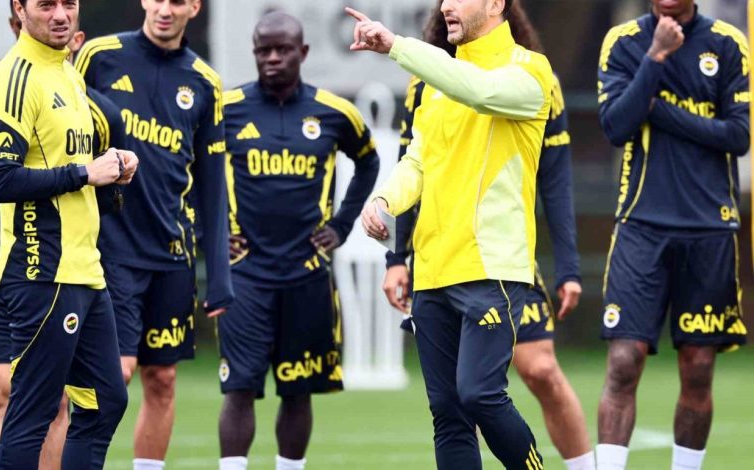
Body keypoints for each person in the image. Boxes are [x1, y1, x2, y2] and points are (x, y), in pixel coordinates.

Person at [382, 2, 593, 469]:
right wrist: (383, 204)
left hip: (490, 267)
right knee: (448, 414)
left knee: (480, 393)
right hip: (432, 270)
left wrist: (396, 45)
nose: (445, 6)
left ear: (496, 3)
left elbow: (478, 90)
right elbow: (416, 161)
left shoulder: (530, 71)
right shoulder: (435, 82)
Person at [217, 11, 379, 470]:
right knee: (239, 388)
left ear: (302, 52)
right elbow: (187, 167)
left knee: (298, 388)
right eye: (263, 50)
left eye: (282, 49)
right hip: (244, 275)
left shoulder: (334, 112)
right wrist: (209, 233)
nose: (272, 58)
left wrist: (342, 225)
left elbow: (368, 162)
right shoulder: (225, 109)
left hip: (306, 274)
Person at [0, 0, 138, 467]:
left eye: (68, 3)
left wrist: (114, 171)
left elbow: (77, 172)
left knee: (106, 400)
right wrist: (85, 172)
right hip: (41, 271)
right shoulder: (14, 79)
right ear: (20, 9)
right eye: (46, 4)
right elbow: (0, 180)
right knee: (34, 411)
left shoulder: (68, 73)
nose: (61, 15)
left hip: (85, 269)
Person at [75, 0, 234, 468]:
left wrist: (219, 275)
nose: (165, 9)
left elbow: (212, 182)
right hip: (110, 249)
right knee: (113, 374)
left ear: (194, 7)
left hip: (171, 255)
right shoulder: (99, 55)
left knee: (162, 379)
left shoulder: (205, 82)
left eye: (177, 1)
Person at [596, 1, 749, 469]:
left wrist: (658, 111)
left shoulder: (727, 43)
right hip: (641, 225)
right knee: (624, 361)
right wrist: (656, 57)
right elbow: (616, 125)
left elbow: (738, 136)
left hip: (709, 228)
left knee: (698, 367)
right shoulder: (625, 42)